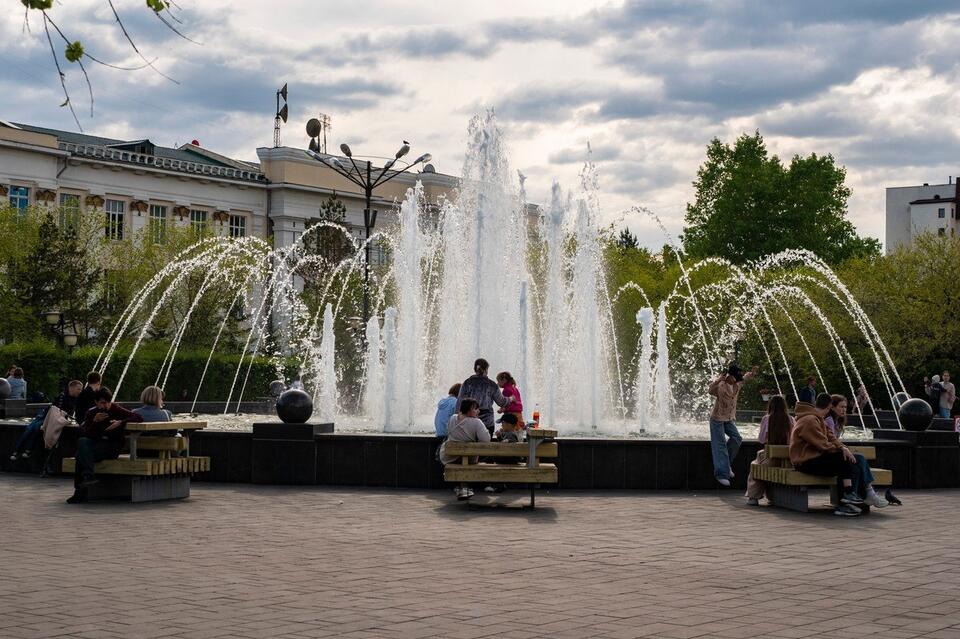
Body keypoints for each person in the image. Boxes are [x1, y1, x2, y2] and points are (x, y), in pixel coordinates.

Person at [789, 393, 887, 516]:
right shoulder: (809, 420)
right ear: (829, 406)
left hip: (815, 459)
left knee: (852, 461)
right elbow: (822, 444)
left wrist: (842, 447)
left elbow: (831, 437)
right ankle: (848, 496)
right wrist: (841, 451)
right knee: (843, 458)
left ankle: (849, 501)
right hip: (804, 462)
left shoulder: (817, 418)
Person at [66, 387, 144, 504]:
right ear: (96, 402)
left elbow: (138, 417)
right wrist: (95, 422)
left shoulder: (115, 409)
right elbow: (86, 434)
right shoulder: (92, 413)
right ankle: (87, 478)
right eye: (103, 402)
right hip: (96, 446)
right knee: (82, 443)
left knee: (80, 454)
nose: (106, 405)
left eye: (108, 402)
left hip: (112, 447)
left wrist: (121, 422)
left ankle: (80, 490)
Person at [708, 362, 756, 486]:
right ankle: (721, 474)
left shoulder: (736, 385)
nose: (737, 379)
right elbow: (710, 390)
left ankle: (726, 464)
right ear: (729, 376)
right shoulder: (721, 386)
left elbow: (744, 378)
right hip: (717, 419)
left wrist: (751, 373)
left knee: (737, 438)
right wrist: (719, 379)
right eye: (735, 377)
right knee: (720, 445)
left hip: (729, 419)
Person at [9, 380, 82, 462]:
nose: (80, 391)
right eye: (78, 389)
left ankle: (28, 450)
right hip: (46, 416)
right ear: (71, 388)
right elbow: (57, 411)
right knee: (29, 429)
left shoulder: (77, 399)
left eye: (80, 389)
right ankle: (17, 450)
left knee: (37, 428)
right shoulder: (62, 396)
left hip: (51, 417)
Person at [745, 395, 794, 506]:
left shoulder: (767, 419)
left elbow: (761, 439)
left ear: (771, 405)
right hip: (787, 459)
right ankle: (772, 496)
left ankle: (753, 497)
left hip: (771, 458)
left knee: (755, 466)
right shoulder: (791, 419)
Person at [439, 398, 490, 500]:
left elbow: (447, 431)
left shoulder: (453, 418)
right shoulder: (476, 422)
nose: (478, 411)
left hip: (448, 456)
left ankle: (462, 488)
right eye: (476, 409)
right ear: (469, 409)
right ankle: (464, 488)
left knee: (463, 460)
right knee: (467, 460)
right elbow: (486, 440)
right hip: (469, 458)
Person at [457, 358, 509, 435]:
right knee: (485, 444)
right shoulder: (491, 384)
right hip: (487, 423)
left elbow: (459, 403)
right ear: (486, 369)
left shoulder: (467, 383)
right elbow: (501, 402)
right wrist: (510, 399)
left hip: (470, 422)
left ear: (475, 369)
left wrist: (458, 419)